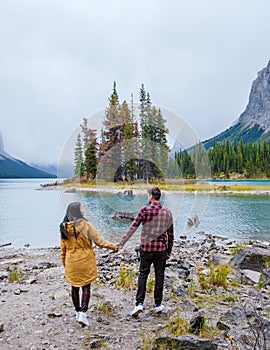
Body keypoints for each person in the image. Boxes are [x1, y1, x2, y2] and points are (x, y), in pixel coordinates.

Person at [116, 186, 174, 316]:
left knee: (143, 275)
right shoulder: (167, 212)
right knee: (160, 276)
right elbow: (171, 234)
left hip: (146, 249)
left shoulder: (144, 210)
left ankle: (139, 304)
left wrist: (121, 243)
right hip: (161, 250)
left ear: (151, 196)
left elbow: (133, 228)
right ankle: (158, 305)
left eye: (148, 195)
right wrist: (169, 251)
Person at [60, 202, 116, 327]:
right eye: (81, 208)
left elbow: (62, 250)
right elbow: (100, 242)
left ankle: (77, 311)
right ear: (77, 212)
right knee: (86, 286)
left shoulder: (63, 228)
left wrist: (65, 264)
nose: (83, 210)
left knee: (74, 286)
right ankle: (83, 314)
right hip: (85, 260)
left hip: (71, 261)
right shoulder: (85, 225)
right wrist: (114, 247)